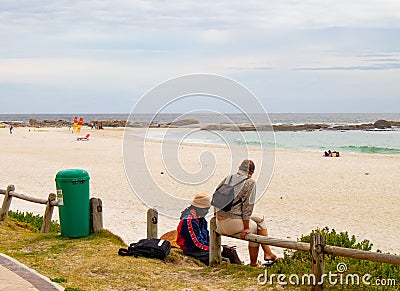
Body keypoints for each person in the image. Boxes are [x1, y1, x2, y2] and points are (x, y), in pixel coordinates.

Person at [215, 159, 277, 268]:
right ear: (252, 172)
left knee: (260, 219)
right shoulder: (250, 182)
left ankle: (268, 253)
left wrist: (216, 215)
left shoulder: (229, 177)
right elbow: (247, 208)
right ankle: (253, 264)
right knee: (254, 229)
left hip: (219, 222)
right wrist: (246, 228)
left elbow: (216, 194)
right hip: (231, 224)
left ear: (239, 167)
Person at [176, 193, 211, 265]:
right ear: (199, 208)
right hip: (191, 250)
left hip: (200, 248)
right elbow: (196, 243)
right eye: (206, 209)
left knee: (229, 251)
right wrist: (213, 249)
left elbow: (206, 237)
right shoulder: (189, 220)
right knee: (216, 256)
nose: (207, 211)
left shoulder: (201, 219)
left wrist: (216, 246)